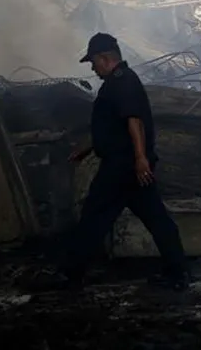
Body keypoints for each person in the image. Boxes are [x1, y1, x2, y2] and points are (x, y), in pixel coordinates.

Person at [60, 32, 187, 290]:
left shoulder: (123, 82)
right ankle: (177, 273)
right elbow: (114, 127)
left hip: (122, 168)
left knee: (94, 217)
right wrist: (88, 148)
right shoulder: (118, 83)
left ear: (104, 58)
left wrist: (140, 159)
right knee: (157, 220)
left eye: (93, 62)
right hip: (130, 168)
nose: (93, 68)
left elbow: (133, 121)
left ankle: (71, 275)